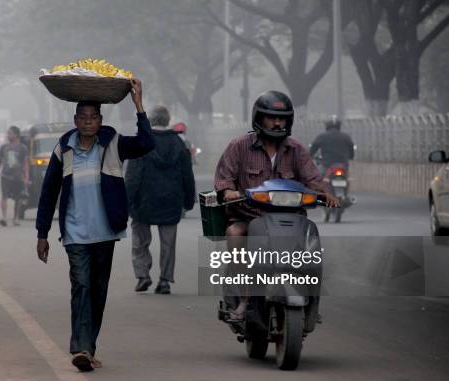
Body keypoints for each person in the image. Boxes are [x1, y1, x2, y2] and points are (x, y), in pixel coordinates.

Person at [36, 79, 154, 372]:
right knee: (81, 286)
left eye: (94, 118)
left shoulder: (113, 142)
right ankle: (82, 349)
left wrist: (138, 105)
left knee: (98, 292)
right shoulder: (63, 147)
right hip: (75, 234)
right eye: (83, 118)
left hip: (105, 232)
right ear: (75, 120)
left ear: (100, 120)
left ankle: (89, 347)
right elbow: (49, 192)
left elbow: (146, 143)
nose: (88, 122)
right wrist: (42, 233)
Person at [214, 90, 339, 320]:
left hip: (290, 220)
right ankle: (244, 299)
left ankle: (311, 303)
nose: (277, 122)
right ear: (259, 118)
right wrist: (229, 191)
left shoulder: (296, 149)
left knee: (311, 243)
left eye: (282, 118)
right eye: (271, 117)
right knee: (235, 233)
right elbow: (224, 177)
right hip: (249, 217)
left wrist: (326, 194)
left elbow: (313, 178)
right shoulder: (239, 146)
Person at [125, 105, 195, 295]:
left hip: (143, 201)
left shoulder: (142, 142)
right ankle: (164, 280)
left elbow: (133, 176)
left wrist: (127, 201)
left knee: (140, 241)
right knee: (168, 244)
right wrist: (189, 200)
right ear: (167, 120)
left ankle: (142, 275)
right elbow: (187, 175)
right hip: (171, 201)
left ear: (151, 120)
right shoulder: (179, 144)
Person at [0, 126, 29, 227]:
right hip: (5, 176)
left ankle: (15, 218)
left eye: (10, 133)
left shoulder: (23, 148)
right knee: (4, 196)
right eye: (8, 133)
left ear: (16, 135)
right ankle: (4, 218)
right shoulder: (4, 147)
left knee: (18, 199)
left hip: (18, 177)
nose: (8, 135)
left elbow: (25, 163)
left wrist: (26, 176)